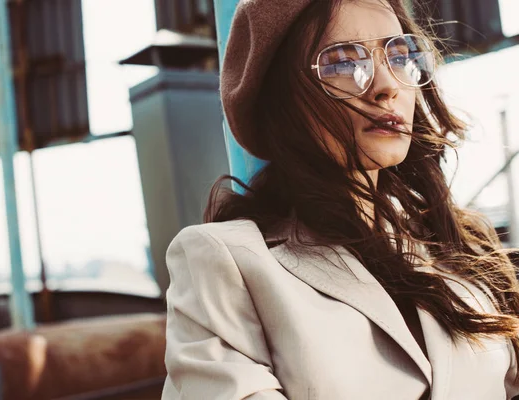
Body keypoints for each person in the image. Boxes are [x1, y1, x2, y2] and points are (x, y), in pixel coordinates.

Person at [161, 0, 519, 399]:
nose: (387, 86)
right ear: (284, 99)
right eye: (343, 64)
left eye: (400, 56)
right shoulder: (226, 262)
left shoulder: (463, 245)